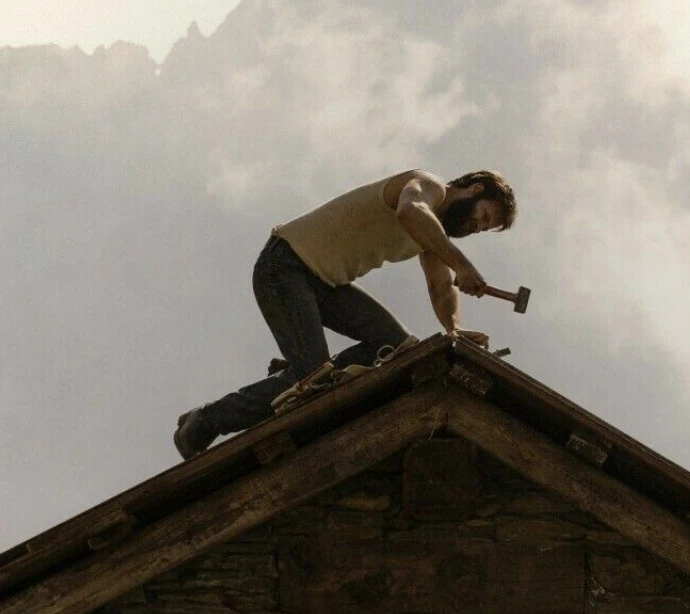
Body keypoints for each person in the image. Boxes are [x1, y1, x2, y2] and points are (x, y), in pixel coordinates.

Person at [174, 169, 517, 459]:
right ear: (474, 189)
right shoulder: (428, 186)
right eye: (483, 216)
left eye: (484, 228)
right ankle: (207, 420)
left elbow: (442, 289)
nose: (477, 227)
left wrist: (454, 331)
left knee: (397, 347)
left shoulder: (432, 236)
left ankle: (305, 372)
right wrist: (463, 264)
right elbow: (409, 210)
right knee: (311, 378)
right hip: (285, 266)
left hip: (323, 284)